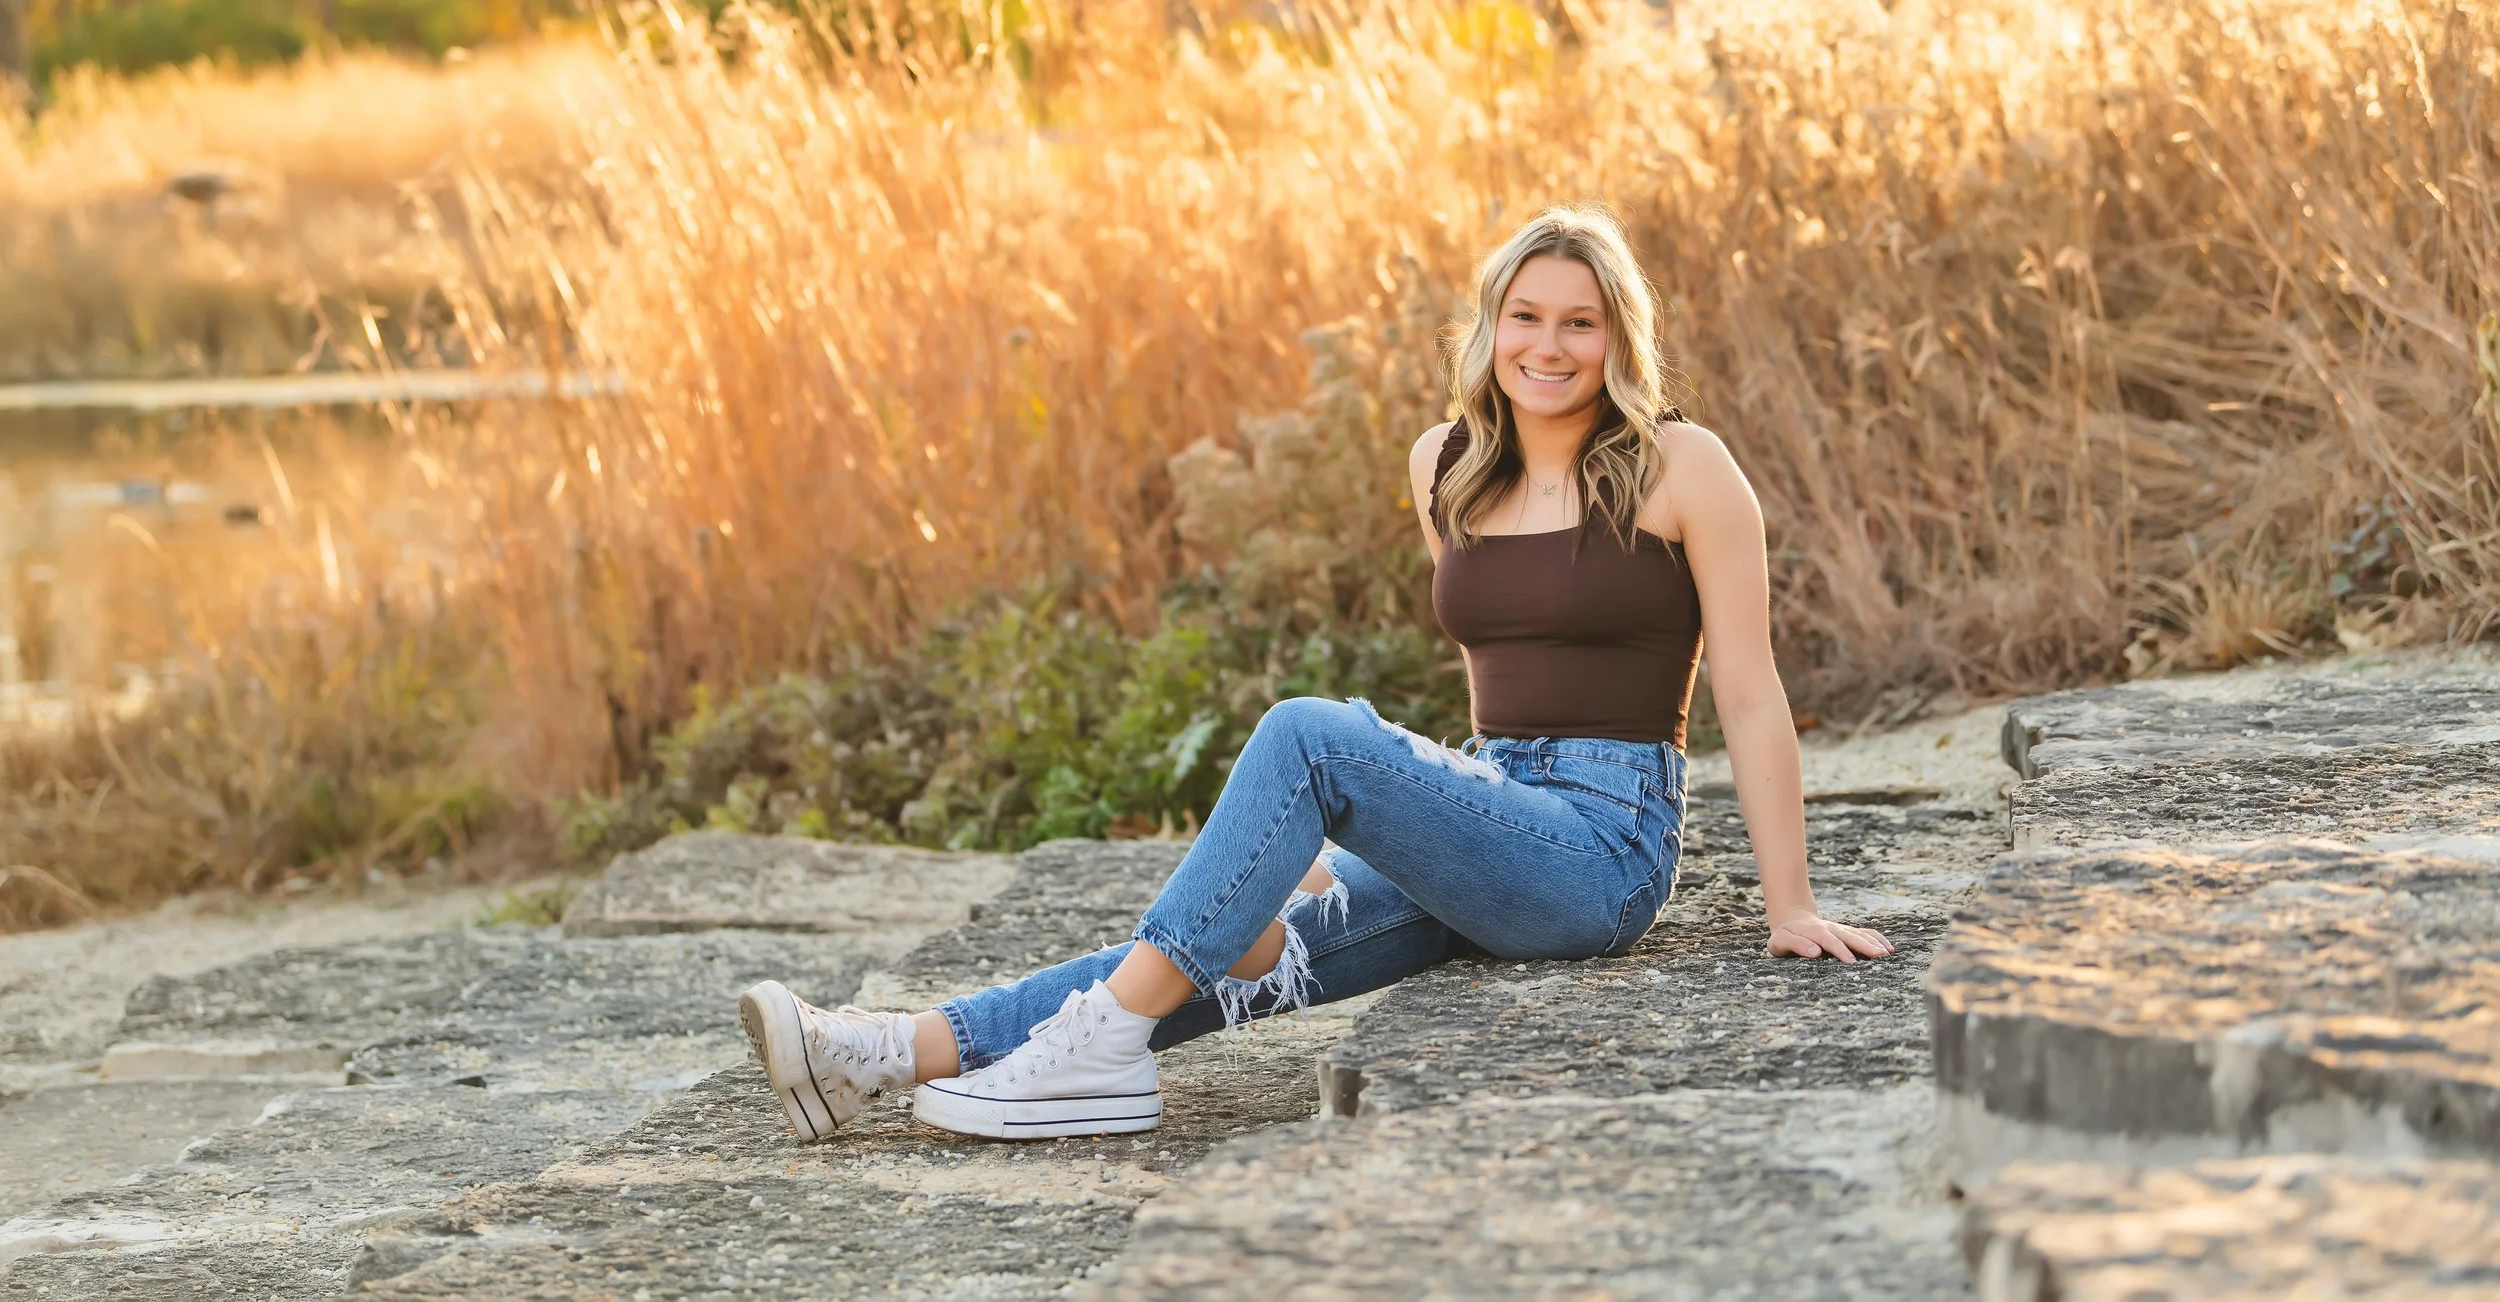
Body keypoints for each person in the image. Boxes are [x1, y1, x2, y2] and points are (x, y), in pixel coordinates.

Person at [737, 205, 1893, 1143]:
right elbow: (1502, 685)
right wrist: (1349, 850)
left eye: (1579, 322)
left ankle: (1093, 1052)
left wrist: (1787, 906)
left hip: (1599, 849)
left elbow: (1748, 691)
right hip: (1494, 815)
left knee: (1307, 732)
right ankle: (885, 1054)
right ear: (1490, 326)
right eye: (1524, 315)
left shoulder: (1681, 465)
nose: (1548, 344)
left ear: (1616, 336)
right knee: (1230, 936)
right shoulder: (1444, 464)